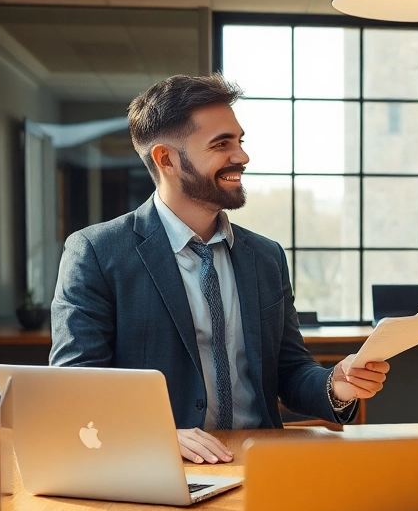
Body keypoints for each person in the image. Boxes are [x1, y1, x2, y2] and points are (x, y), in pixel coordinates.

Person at [51, 74, 390, 465]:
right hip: (159, 467)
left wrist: (336, 384)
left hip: (262, 464)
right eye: (221, 144)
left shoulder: (266, 256)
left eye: (240, 141)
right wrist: (154, 434)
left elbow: (290, 371)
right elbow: (76, 388)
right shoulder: (95, 252)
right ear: (167, 159)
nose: (242, 156)